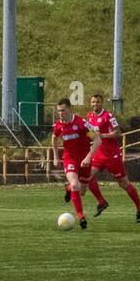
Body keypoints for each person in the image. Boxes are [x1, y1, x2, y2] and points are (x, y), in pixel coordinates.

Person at [84, 93, 140, 223]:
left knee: (123, 183)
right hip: (99, 153)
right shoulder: (89, 116)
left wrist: (103, 136)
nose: (95, 104)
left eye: (98, 102)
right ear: (91, 103)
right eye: (93, 102)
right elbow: (90, 132)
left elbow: (117, 132)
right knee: (86, 177)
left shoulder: (108, 116)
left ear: (102, 103)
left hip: (112, 155)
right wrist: (90, 137)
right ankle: (101, 202)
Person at [52, 97, 101, 229]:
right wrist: (56, 157)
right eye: (59, 111)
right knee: (75, 185)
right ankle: (81, 217)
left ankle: (68, 189)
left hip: (84, 160)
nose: (60, 114)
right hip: (69, 158)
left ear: (70, 109)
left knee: (82, 190)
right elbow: (54, 138)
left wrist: (88, 157)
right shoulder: (58, 126)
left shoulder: (81, 124)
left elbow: (97, 140)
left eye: (63, 111)